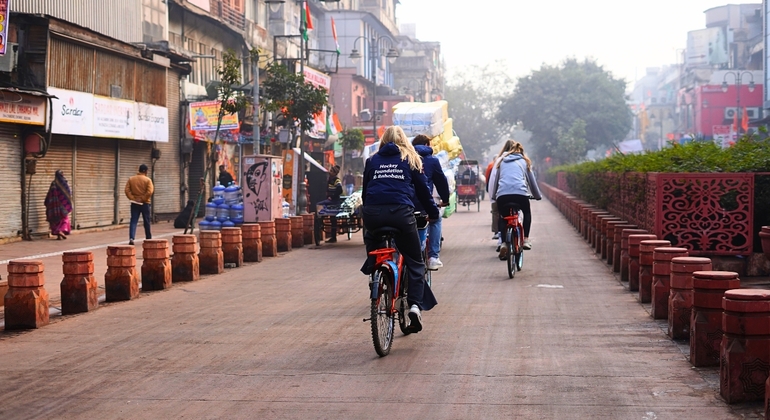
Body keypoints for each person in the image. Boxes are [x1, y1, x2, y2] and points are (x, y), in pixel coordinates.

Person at [361, 126, 439, 333]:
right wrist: (433, 213)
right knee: (415, 261)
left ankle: (375, 273)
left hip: (373, 215)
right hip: (401, 215)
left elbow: (365, 192)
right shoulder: (411, 159)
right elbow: (423, 192)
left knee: (374, 246)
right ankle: (414, 306)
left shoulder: (372, 160)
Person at [489, 141, 542, 257]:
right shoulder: (524, 161)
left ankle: (503, 243)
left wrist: (493, 196)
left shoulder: (501, 161)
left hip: (502, 195)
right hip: (520, 194)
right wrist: (537, 196)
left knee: (502, 217)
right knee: (527, 213)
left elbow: (496, 181)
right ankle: (526, 239)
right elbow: (532, 182)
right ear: (521, 152)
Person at [412, 134, 449, 270]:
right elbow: (441, 182)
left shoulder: (404, 158)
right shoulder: (432, 160)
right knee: (436, 219)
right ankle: (433, 257)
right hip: (424, 203)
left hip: (405, 204)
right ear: (427, 145)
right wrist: (445, 199)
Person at [487, 140, 517, 241]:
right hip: (518, 193)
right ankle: (523, 237)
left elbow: (492, 179)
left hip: (500, 193)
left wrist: (492, 196)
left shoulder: (499, 161)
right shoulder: (520, 160)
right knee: (522, 211)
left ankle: (499, 236)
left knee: (499, 213)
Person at [125, 164, 154, 245]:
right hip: (145, 203)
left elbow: (127, 190)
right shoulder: (148, 180)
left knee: (133, 221)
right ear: (146, 171)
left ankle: (131, 238)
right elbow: (150, 192)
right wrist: (142, 199)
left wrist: (133, 198)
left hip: (134, 203)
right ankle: (148, 238)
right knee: (146, 221)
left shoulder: (131, 179)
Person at [44, 170, 73, 240]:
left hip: (54, 206)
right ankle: (60, 232)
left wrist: (48, 202)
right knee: (64, 219)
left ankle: (58, 234)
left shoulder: (53, 184)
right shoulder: (64, 183)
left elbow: (50, 194)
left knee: (55, 220)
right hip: (63, 206)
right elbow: (68, 193)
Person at [317, 165, 342, 243]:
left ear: (334, 173)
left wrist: (332, 197)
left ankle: (320, 219)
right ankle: (333, 237)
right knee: (332, 219)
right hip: (330, 200)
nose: (329, 172)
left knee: (318, 205)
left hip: (334, 201)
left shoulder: (337, 180)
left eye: (331, 171)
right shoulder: (329, 179)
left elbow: (340, 190)